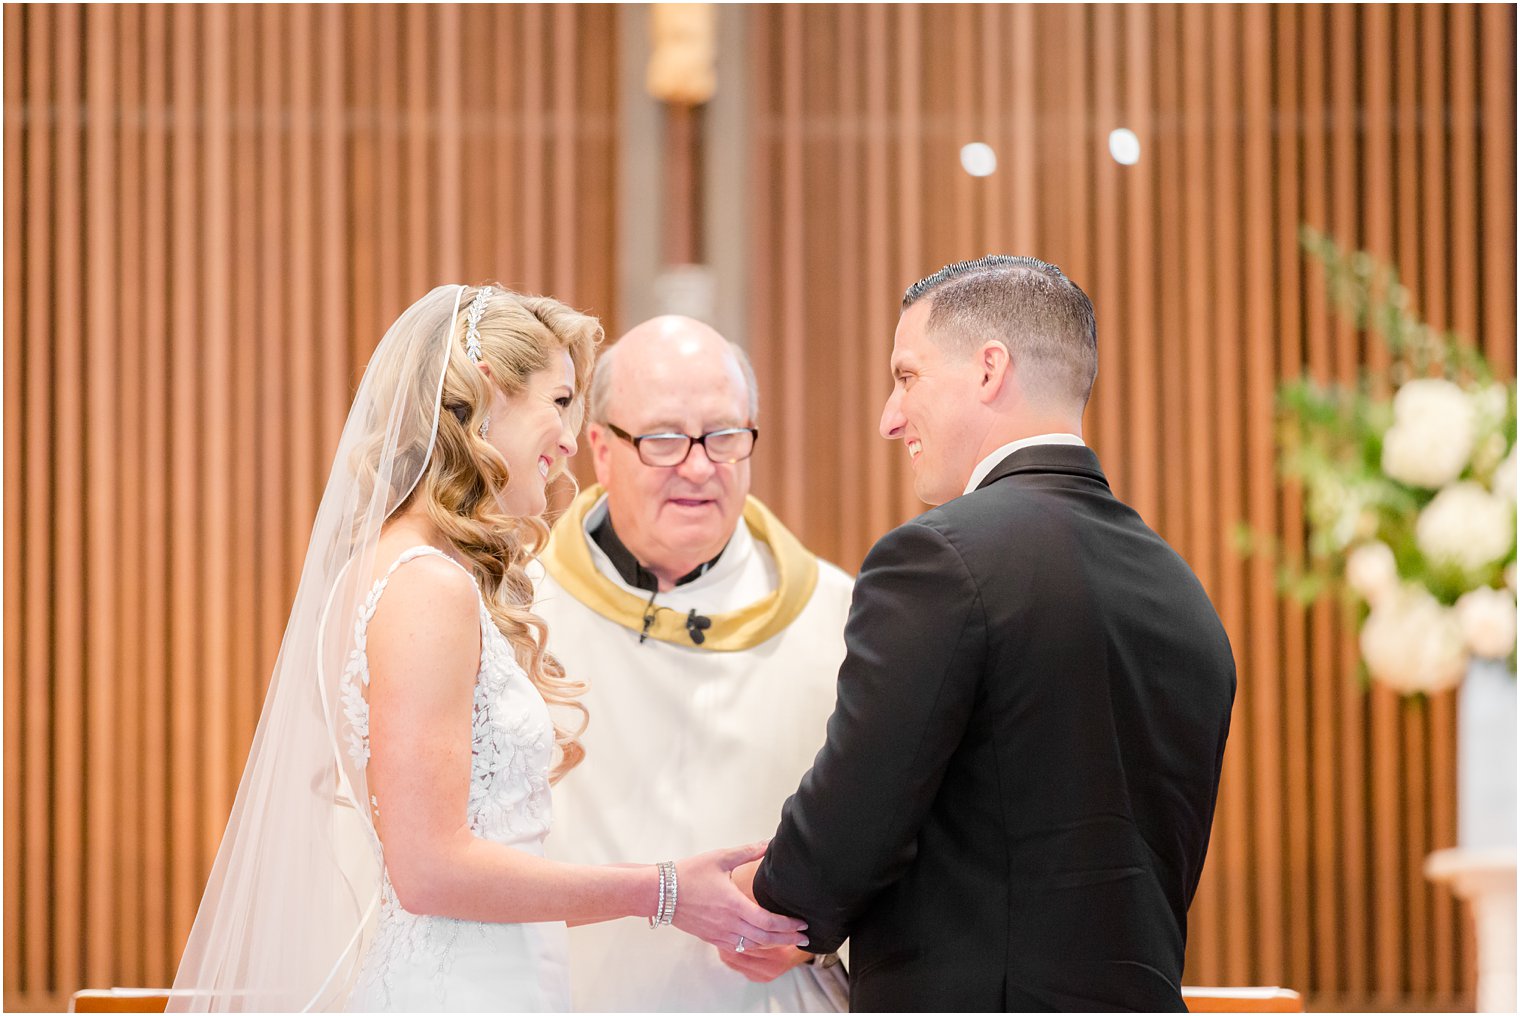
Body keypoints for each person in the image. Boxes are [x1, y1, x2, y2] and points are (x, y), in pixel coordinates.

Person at [170, 286, 806, 1013]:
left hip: (488, 974)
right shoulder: (425, 586)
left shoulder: (400, 569)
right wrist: (661, 891)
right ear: (491, 397)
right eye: (559, 402)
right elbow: (430, 870)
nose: (570, 441)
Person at [737, 256, 1237, 1011]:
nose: (889, 417)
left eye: (907, 377)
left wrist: (768, 899)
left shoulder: (939, 557)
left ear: (988, 369)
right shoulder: (1183, 594)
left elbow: (859, 812)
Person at [533, 315, 855, 1011]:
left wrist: (822, 930)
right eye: (664, 439)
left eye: (724, 436)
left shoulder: (842, 620)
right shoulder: (518, 615)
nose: (700, 467)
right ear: (600, 448)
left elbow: (899, 837)